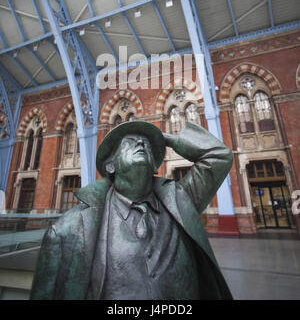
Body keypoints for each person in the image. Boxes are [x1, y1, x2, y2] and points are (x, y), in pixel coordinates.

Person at [30, 120, 233, 300]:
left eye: (146, 144)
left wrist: (166, 139)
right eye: (129, 142)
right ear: (110, 166)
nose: (140, 143)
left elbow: (219, 156)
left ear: (155, 166)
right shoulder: (67, 230)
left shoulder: (181, 199)